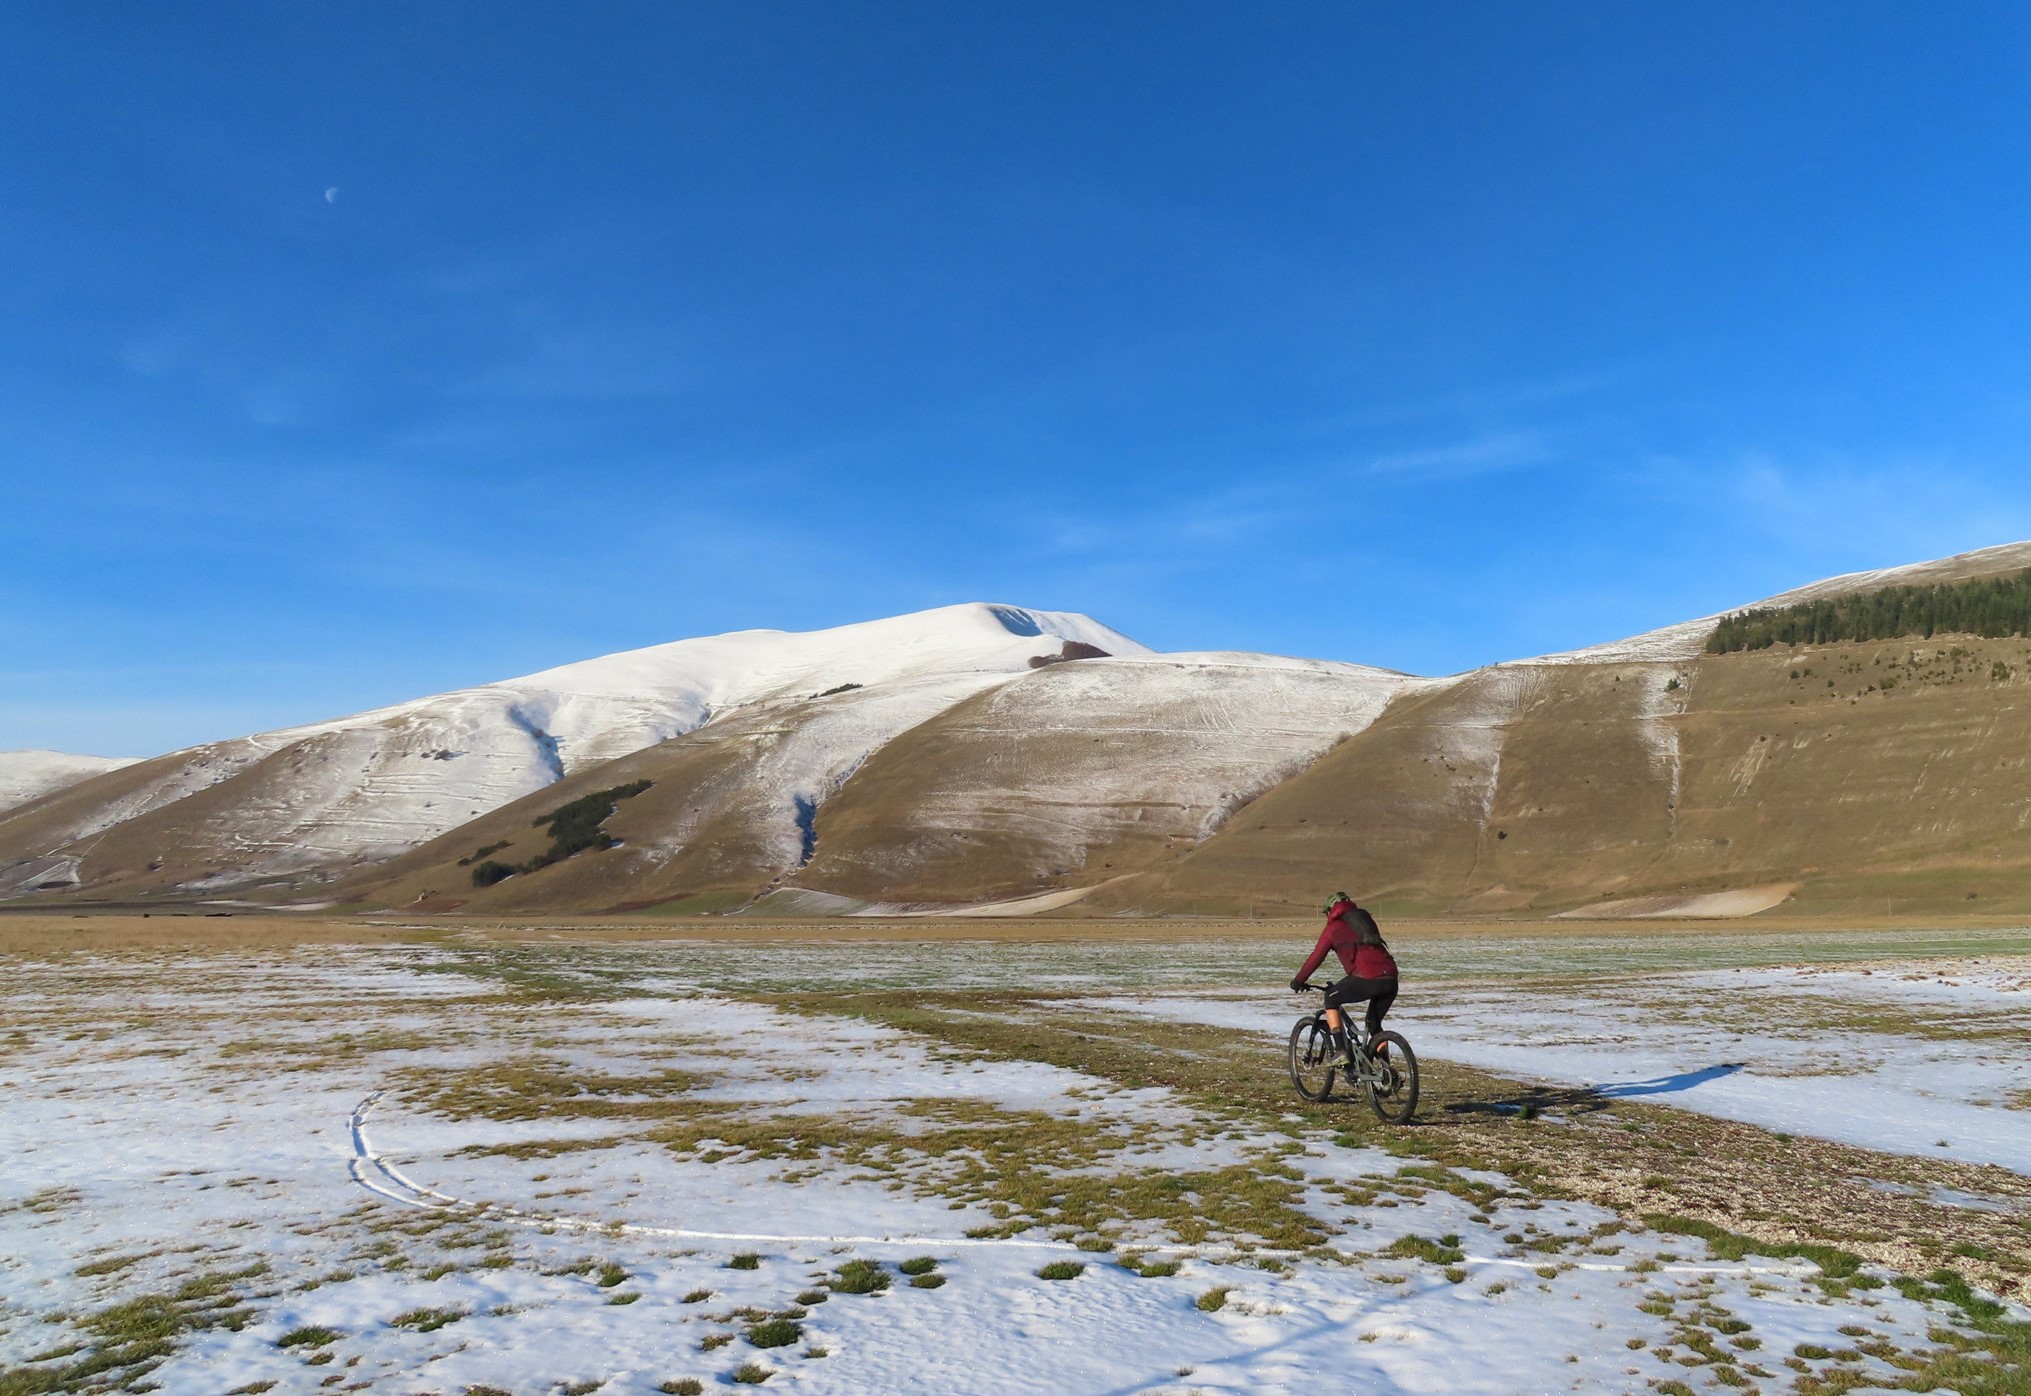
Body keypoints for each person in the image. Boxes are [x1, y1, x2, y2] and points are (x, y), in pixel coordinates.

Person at [1290, 892, 1398, 1059]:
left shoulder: (1334, 928)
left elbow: (1316, 957)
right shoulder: (1363, 919)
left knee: (1331, 997)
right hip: (1390, 977)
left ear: (1330, 911)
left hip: (1366, 977)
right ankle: (1386, 1072)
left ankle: (1341, 1050)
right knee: (1374, 1025)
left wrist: (1298, 981)